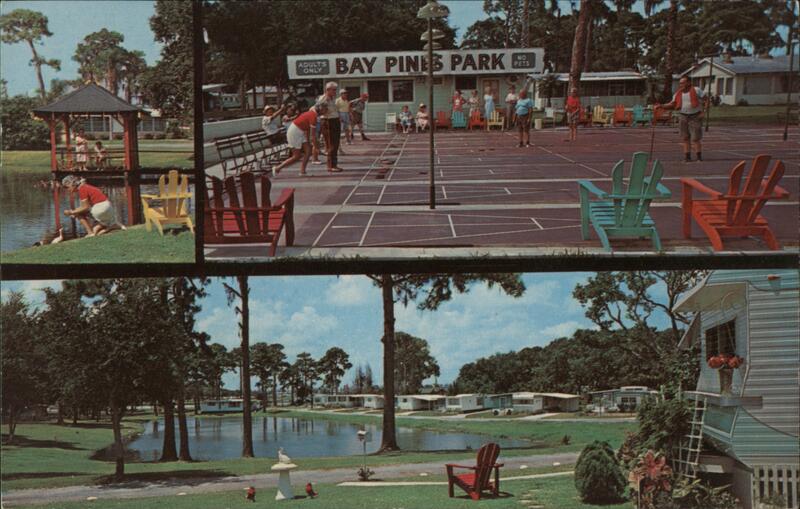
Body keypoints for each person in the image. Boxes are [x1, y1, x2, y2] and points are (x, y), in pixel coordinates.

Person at [655, 76, 707, 162]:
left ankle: (699, 157)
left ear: (689, 83)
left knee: (695, 138)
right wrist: (661, 106)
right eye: (680, 83)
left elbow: (707, 100)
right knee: (685, 137)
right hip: (683, 116)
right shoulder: (678, 93)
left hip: (695, 116)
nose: (681, 85)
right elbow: (672, 104)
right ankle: (687, 157)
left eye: (683, 83)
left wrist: (703, 112)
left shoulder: (696, 90)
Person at [272, 101, 326, 177]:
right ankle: (277, 168)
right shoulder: (313, 115)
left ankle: (302, 171)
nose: (326, 110)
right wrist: (316, 147)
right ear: (320, 109)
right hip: (295, 132)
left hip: (300, 131)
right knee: (296, 156)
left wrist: (310, 143)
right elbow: (313, 135)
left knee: (308, 151)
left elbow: (308, 130)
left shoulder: (313, 114)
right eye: (325, 109)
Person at [61, 175, 125, 236]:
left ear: (72, 184)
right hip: (108, 208)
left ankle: (90, 233)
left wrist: (71, 212)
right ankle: (111, 226)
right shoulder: (86, 186)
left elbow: (85, 207)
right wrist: (75, 211)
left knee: (78, 213)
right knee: (96, 230)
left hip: (99, 209)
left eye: (67, 187)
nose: (67, 189)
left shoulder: (82, 189)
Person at [318, 81, 343, 172]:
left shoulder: (332, 98)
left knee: (335, 143)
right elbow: (319, 110)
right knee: (330, 144)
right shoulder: (324, 98)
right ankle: (331, 165)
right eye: (333, 90)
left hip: (334, 120)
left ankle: (334, 164)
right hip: (328, 121)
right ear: (327, 90)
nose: (335, 92)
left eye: (335, 90)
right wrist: (324, 110)